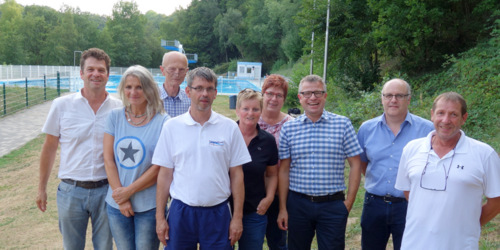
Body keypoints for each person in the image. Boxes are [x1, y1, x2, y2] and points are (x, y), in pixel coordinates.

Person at [153, 67, 252, 249]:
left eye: (209, 88)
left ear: (215, 93)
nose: (204, 93)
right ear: (188, 91)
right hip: (181, 212)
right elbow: (165, 175)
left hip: (218, 212)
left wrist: (237, 217)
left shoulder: (229, 128)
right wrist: (160, 217)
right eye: (199, 88)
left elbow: (237, 176)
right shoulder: (172, 127)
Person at [36, 48, 122, 249]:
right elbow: (49, 148)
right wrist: (41, 188)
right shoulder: (61, 105)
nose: (96, 74)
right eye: (90, 69)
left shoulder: (119, 108)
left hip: (106, 191)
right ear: (81, 73)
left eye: (101, 70)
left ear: (108, 75)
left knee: (105, 246)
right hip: (71, 191)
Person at [395, 92, 500, 249]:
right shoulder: (411, 149)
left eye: (453, 114)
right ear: (432, 115)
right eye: (441, 113)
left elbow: (496, 201)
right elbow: (409, 192)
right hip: (414, 243)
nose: (445, 120)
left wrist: (468, 224)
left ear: (464, 118)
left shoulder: (484, 154)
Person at [277, 74, 363, 249]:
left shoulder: (343, 124)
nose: (313, 98)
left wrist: (348, 204)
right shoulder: (289, 128)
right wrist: (283, 208)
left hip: (332, 205)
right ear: (300, 98)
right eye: (307, 93)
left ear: (325, 95)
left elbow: (355, 164)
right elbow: (284, 170)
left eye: (318, 92)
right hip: (298, 204)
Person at [357, 78, 433, 250]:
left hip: (411, 204)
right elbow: (363, 164)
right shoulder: (366, 129)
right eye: (388, 95)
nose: (393, 100)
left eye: (399, 95)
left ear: (409, 99)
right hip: (374, 204)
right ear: (382, 98)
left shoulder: (427, 130)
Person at [103, 65, 169, 249]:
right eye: (128, 87)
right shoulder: (114, 117)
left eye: (139, 87)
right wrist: (122, 198)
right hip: (117, 204)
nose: (133, 92)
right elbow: (108, 159)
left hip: (150, 206)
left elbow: (159, 167)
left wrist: (129, 191)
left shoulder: (164, 122)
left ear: (148, 89)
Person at [236, 88, 279, 250]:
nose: (250, 113)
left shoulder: (267, 141)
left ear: (261, 111)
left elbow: (272, 174)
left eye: (255, 109)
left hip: (255, 211)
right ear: (237, 110)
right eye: (245, 108)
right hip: (225, 210)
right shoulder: (226, 135)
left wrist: (268, 198)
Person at [258, 74, 293, 250]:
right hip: (252, 192)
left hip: (280, 194)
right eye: (270, 93)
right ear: (262, 94)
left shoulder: (291, 125)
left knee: (278, 242)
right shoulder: (251, 121)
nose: (273, 98)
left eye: (279, 95)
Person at [159, 51, 190, 117]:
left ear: (186, 72)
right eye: (172, 69)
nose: (177, 73)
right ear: (162, 70)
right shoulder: (151, 98)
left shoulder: (191, 100)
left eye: (181, 70)